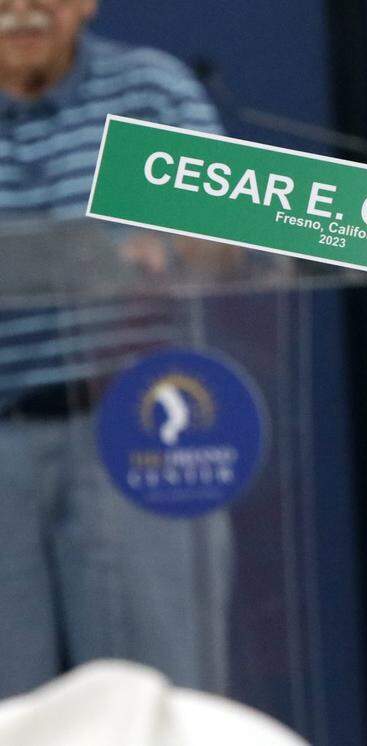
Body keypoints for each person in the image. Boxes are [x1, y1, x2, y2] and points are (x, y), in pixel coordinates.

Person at [0, 0, 232, 697]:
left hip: (135, 430)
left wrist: (174, 251)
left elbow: (228, 247)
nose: (20, 9)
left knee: (157, 700)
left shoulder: (149, 92)